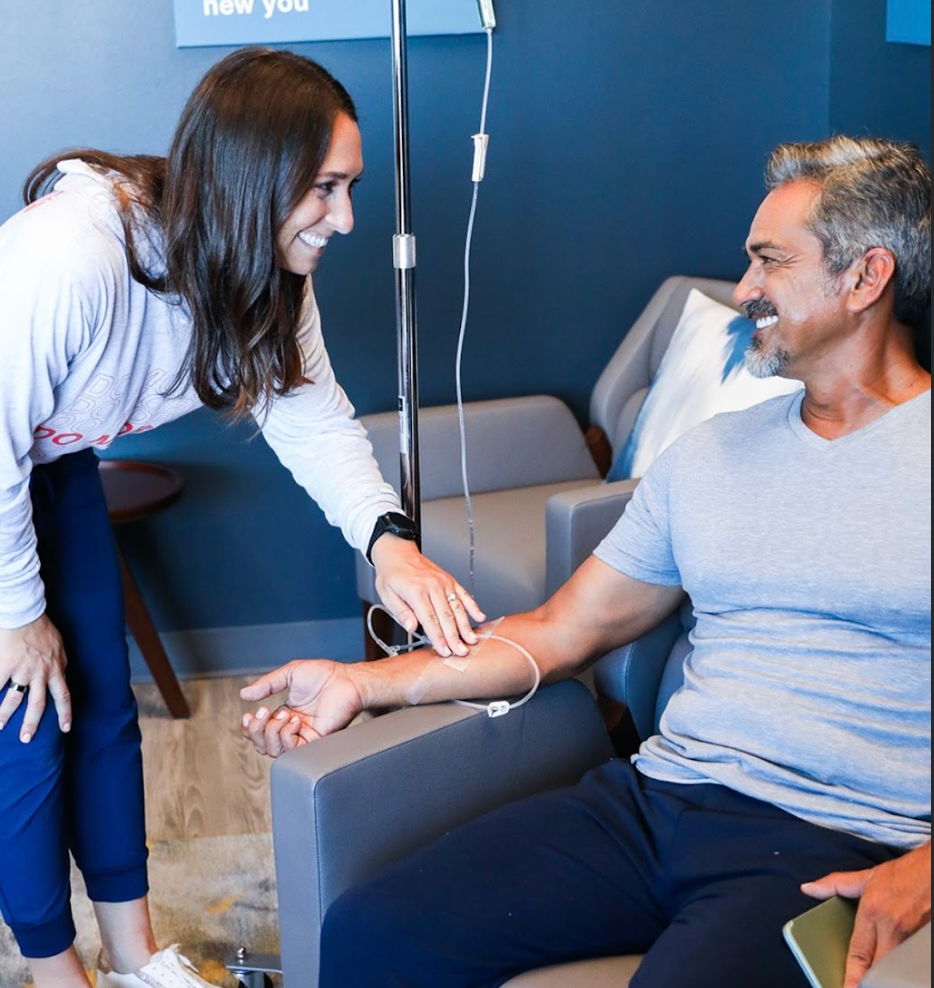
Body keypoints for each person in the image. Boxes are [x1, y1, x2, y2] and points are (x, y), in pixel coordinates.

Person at [242, 134, 931, 988]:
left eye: (769, 263)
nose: (744, 290)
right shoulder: (710, 457)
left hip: (836, 843)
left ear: (865, 279)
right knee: (373, 929)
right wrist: (364, 682)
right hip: (657, 800)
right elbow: (562, 630)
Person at [0, 47, 485, 988]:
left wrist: (391, 546)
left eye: (351, 188)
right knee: (25, 719)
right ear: (256, 177)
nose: (345, 218)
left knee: (102, 700)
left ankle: (134, 956)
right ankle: (57, 976)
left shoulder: (270, 270)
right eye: (327, 189)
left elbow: (312, 418)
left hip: (48, 460)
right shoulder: (78, 252)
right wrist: (17, 616)